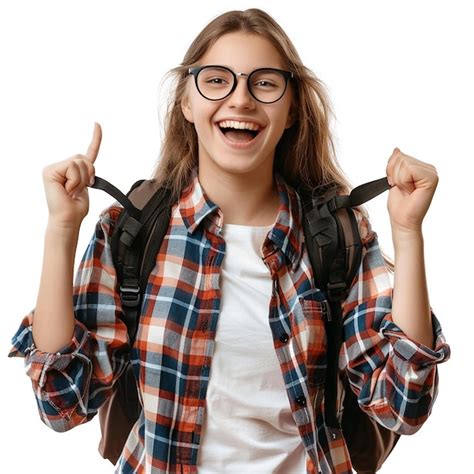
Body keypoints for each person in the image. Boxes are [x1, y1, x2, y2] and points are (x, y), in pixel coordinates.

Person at [8, 8, 450, 474]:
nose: (240, 100)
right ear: (186, 103)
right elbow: (63, 403)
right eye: (217, 81)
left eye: (264, 83)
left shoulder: (337, 236)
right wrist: (61, 231)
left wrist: (408, 232)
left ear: (293, 108)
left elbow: (403, 405)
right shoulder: (130, 231)